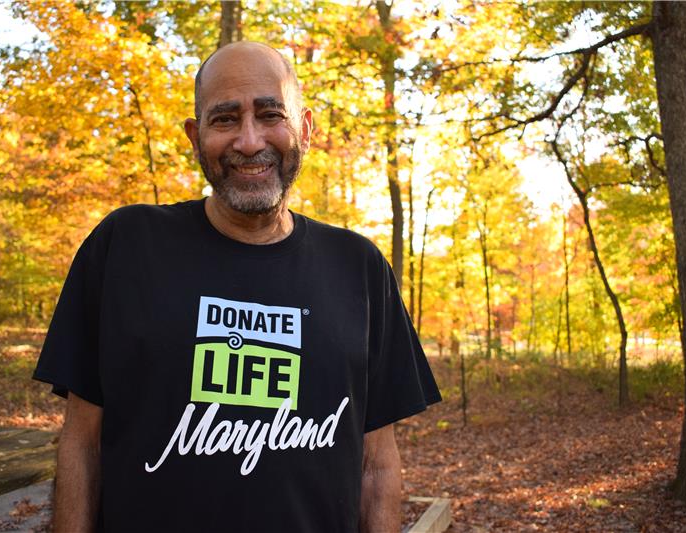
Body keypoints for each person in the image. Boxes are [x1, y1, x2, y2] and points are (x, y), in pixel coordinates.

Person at [34, 41, 441, 533]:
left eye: (271, 115)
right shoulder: (124, 246)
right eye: (224, 119)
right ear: (194, 135)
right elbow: (82, 443)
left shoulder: (360, 268)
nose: (249, 142)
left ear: (305, 129)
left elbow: (377, 465)